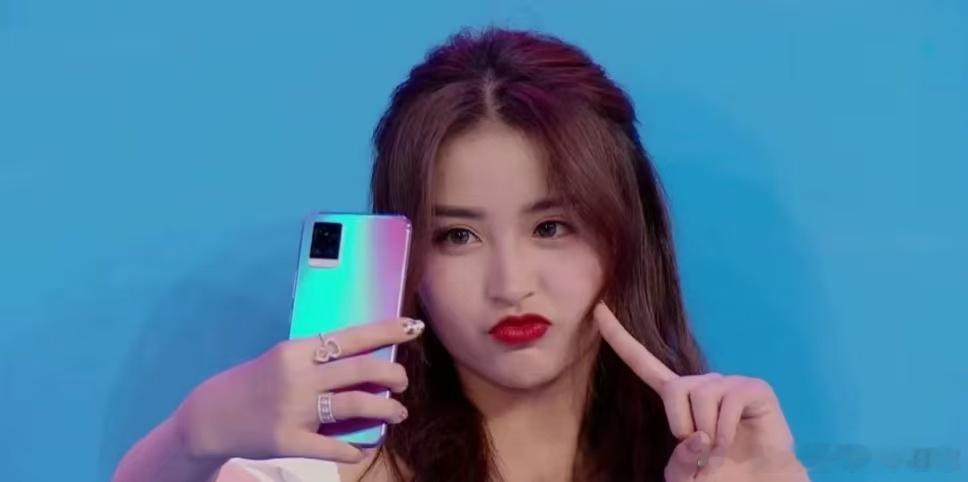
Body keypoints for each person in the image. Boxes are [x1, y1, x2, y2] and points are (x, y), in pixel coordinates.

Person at [113, 27, 810, 482]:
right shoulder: (322, 474)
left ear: (628, 235)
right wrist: (192, 433)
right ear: (407, 259)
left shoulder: (714, 465)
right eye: (457, 236)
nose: (510, 284)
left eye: (552, 227)